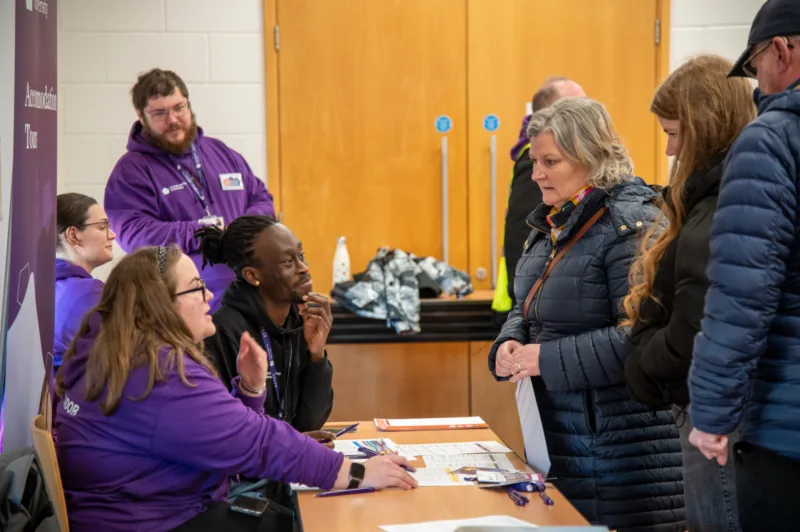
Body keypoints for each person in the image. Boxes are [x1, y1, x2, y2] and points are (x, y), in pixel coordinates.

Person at [55, 245, 417, 532]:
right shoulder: (157, 372)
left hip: (140, 511)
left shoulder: (114, 352)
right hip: (154, 519)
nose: (209, 295)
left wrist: (248, 389)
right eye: (197, 287)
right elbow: (258, 442)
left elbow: (221, 439)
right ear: (161, 305)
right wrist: (357, 473)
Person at [488, 97, 684, 531]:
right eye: (535, 160)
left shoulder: (631, 226)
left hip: (621, 454)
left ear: (591, 156)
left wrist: (544, 358)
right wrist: (510, 341)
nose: (536, 173)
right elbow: (529, 306)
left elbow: (642, 339)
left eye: (550, 161)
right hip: (568, 441)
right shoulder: (553, 224)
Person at [622, 55, 755, 532]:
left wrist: (642, 358)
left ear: (706, 127)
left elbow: (696, 323)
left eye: (675, 135)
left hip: (712, 410)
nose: (672, 151)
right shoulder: (714, 199)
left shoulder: (721, 206)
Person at [686, 1, 800, 529]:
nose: (757, 85)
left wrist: (711, 415)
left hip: (785, 429)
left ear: (782, 50)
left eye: (755, 68)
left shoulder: (770, 139)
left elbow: (741, 296)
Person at [104, 68, 275, 313]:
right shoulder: (131, 171)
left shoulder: (220, 152)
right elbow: (134, 234)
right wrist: (202, 233)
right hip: (186, 312)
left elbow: (261, 197)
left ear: (189, 104)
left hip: (251, 298)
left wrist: (242, 229)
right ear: (141, 117)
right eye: (160, 113)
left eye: (178, 108)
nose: (172, 119)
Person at [199, 216, 335, 516]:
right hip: (243, 487)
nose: (304, 267)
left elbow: (309, 424)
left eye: (301, 255)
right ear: (252, 275)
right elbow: (227, 442)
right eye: (288, 262)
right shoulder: (223, 333)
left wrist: (317, 355)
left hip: (285, 473)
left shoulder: (299, 322)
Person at [493, 77, 585, 319]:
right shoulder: (539, 161)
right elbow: (522, 233)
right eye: (577, 106)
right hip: (529, 306)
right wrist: (525, 309)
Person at [55, 193, 116, 370]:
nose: (112, 235)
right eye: (102, 226)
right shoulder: (86, 295)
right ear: (73, 235)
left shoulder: (39, 285)